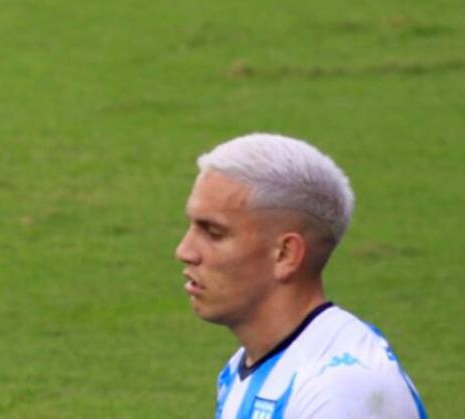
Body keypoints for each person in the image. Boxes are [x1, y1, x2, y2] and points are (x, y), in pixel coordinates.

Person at [175, 133, 426, 418]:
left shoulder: (341, 390)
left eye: (214, 233)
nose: (185, 251)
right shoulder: (244, 368)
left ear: (285, 254)